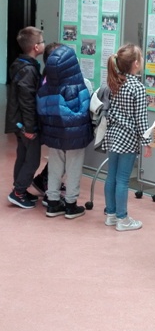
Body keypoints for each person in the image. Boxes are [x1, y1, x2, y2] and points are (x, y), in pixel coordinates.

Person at [37, 43, 93, 219]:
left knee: (54, 168)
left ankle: (53, 203)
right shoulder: (81, 86)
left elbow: (42, 111)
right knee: (73, 169)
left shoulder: (46, 87)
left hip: (54, 137)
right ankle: (70, 204)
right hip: (75, 137)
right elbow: (86, 109)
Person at [101, 44, 152, 231]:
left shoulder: (115, 82)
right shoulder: (137, 87)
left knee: (111, 176)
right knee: (123, 179)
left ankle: (111, 215)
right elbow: (141, 119)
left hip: (113, 135)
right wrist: (147, 142)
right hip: (128, 138)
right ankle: (122, 219)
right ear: (136, 64)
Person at [5, 26, 45, 209]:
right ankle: (19, 192)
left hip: (18, 122)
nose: (44, 44)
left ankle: (19, 188)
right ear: (36, 47)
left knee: (23, 155)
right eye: (42, 41)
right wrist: (30, 128)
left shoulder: (21, 64)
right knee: (33, 159)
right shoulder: (28, 70)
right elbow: (27, 102)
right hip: (25, 124)